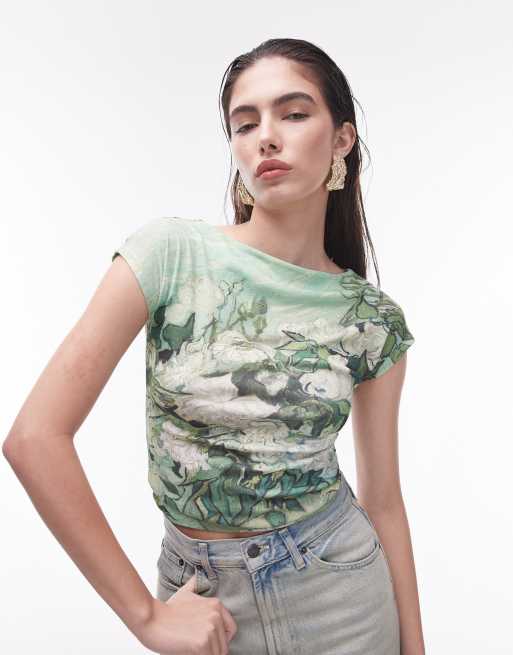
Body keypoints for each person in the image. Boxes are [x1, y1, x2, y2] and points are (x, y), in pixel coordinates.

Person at [3, 37, 425, 655]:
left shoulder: (371, 318)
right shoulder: (170, 254)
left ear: (342, 139)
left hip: (341, 597)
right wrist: (145, 616)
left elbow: (383, 500)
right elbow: (34, 438)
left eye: (294, 113)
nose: (266, 137)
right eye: (245, 124)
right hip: (200, 603)